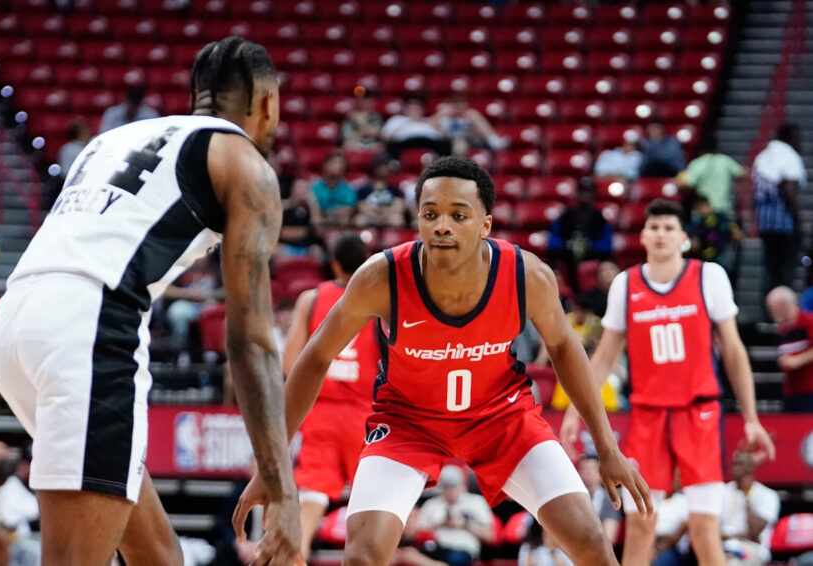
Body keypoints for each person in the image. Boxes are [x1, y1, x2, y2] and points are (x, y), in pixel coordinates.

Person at [235, 156, 653, 566]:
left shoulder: (527, 276)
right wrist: (270, 469)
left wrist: (607, 446)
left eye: (458, 215)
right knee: (362, 555)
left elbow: (565, 348)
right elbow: (314, 359)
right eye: (430, 213)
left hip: (501, 420)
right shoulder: (381, 277)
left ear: (485, 224)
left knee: (590, 541)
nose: (442, 226)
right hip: (408, 423)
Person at [0, 36, 302, 566]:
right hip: (87, 329)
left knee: (159, 556)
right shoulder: (246, 164)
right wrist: (283, 491)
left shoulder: (114, 138)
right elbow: (251, 342)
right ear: (268, 103)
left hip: (16, 320)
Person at [561, 199, 777, 566]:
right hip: (647, 414)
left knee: (704, 527)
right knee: (641, 523)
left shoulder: (708, 275)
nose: (660, 233)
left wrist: (752, 417)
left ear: (683, 238)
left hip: (699, 412)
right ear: (643, 235)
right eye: (654, 227)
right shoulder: (625, 284)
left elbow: (734, 351)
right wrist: (570, 412)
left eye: (668, 227)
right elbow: (604, 357)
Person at [280, 232, 379, 559]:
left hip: (319, 410)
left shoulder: (312, 298)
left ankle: (296, 557)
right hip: (364, 415)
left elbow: (290, 362)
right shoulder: (378, 303)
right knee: (372, 510)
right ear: (366, 261)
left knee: (311, 501)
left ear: (333, 263)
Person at [754, 123, 806, 290]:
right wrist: (799, 218)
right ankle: (783, 312)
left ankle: (768, 312)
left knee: (770, 270)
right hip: (784, 223)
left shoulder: (762, 156)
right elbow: (789, 190)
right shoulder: (789, 156)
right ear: (789, 138)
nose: (801, 143)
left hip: (764, 221)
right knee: (786, 272)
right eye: (798, 138)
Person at [417, 465, 495, 566]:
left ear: (462, 485)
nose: (450, 492)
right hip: (435, 546)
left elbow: (489, 536)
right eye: (446, 487)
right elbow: (416, 532)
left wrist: (464, 524)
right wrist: (441, 523)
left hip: (462, 548)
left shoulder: (476, 502)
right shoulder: (432, 504)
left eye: (453, 487)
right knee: (421, 552)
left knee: (455, 559)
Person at [546, 177, 614, 291]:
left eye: (589, 192)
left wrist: (591, 248)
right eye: (582, 191)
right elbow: (553, 241)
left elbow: (607, 244)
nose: (585, 195)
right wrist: (566, 249)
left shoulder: (599, 218)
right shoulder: (565, 216)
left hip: (591, 264)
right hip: (566, 262)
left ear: (594, 194)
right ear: (577, 193)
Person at [720, 450, 780, 566]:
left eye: (740, 464)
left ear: (752, 467)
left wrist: (745, 496)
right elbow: (711, 530)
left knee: (734, 564)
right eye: (734, 464)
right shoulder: (721, 492)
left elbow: (755, 533)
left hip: (752, 549)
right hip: (723, 547)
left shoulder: (767, 495)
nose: (736, 468)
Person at [765, 286, 813, 412]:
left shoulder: (808, 321)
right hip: (791, 390)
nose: (771, 313)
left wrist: (797, 360)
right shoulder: (783, 329)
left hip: (809, 390)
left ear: (783, 306)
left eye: (773, 308)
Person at [678, 134, 746, 217]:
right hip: (724, 208)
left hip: (704, 210)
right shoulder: (725, 160)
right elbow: (742, 173)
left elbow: (686, 183)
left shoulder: (698, 163)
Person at [434, 93, 509, 155]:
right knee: (459, 144)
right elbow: (429, 130)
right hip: (446, 142)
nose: (458, 105)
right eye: (454, 102)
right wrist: (440, 115)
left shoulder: (471, 115)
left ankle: (494, 142)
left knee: (461, 143)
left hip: (470, 140)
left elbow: (483, 130)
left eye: (461, 102)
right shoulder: (442, 116)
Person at [381, 95, 452, 159]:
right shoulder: (396, 119)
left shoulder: (430, 120)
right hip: (404, 144)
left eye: (417, 107)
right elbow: (386, 137)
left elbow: (443, 135)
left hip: (430, 143)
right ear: (405, 108)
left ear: (422, 109)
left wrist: (431, 122)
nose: (414, 109)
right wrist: (409, 122)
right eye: (411, 107)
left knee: (445, 144)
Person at [576, 453, 622, 544]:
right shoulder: (573, 497)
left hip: (597, 547)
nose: (586, 474)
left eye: (590, 471)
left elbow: (610, 535)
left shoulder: (609, 499)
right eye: (583, 470)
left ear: (600, 473)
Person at [355, 153, 407, 228]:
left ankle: (392, 239)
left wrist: (384, 214)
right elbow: (361, 207)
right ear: (374, 168)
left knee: (397, 219)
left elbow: (399, 207)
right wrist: (375, 217)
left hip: (388, 217)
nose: (384, 168)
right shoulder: (364, 189)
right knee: (360, 219)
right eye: (381, 166)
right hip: (370, 217)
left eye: (386, 166)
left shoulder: (394, 189)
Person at [310, 151, 358, 226]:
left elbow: (347, 211)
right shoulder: (315, 186)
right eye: (334, 163)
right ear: (326, 164)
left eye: (341, 164)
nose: (339, 166)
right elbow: (315, 210)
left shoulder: (349, 189)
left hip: (340, 223)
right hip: (320, 223)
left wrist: (329, 213)